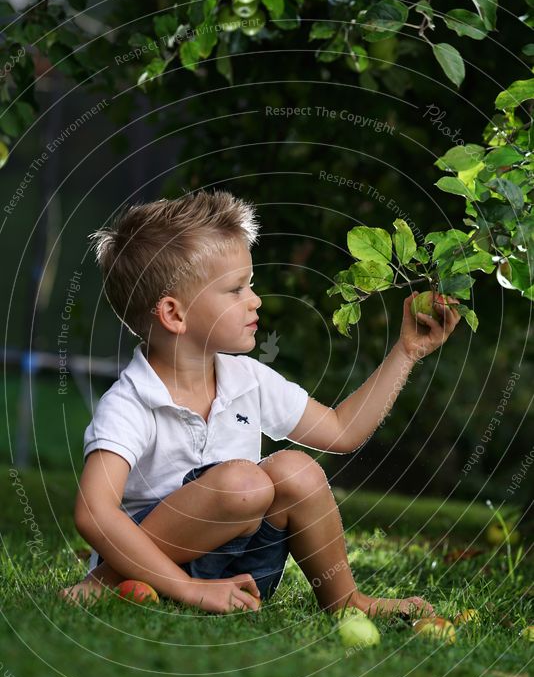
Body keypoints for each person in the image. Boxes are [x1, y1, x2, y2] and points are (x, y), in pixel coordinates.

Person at [59, 189, 461, 616]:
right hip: (149, 568)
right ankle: (109, 581)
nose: (255, 300)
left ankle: (348, 601)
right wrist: (190, 589)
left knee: (296, 469)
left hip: (242, 570)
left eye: (249, 284)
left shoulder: (246, 378)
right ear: (174, 315)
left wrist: (407, 351)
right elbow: (94, 514)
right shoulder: (132, 402)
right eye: (235, 290)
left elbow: (341, 432)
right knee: (244, 484)